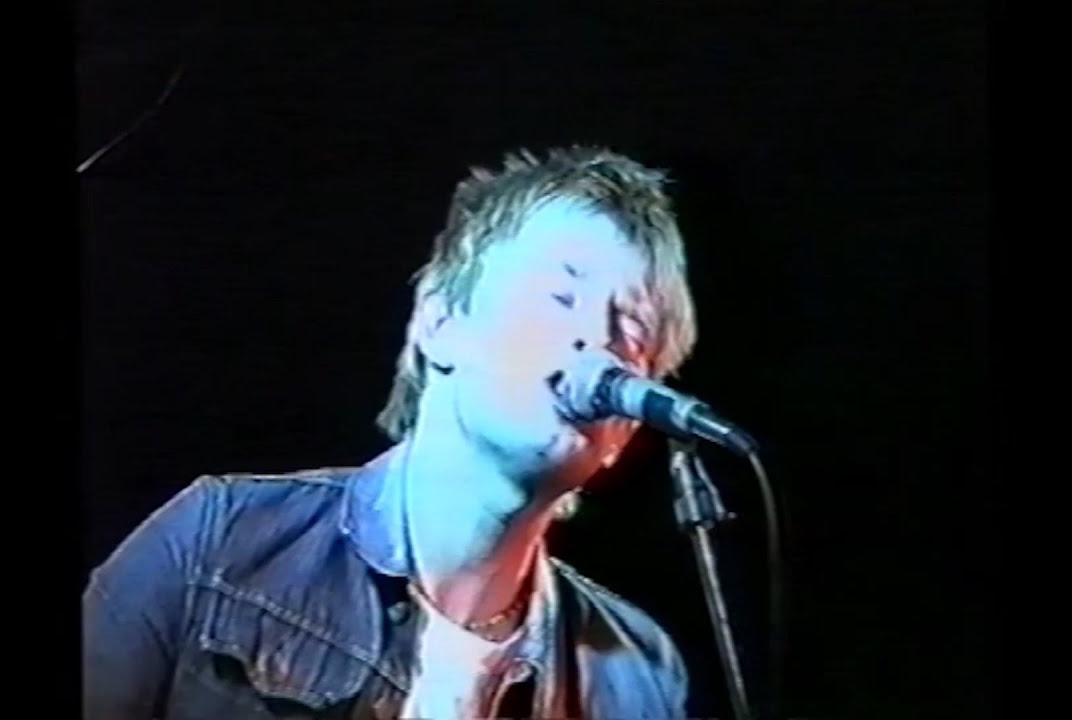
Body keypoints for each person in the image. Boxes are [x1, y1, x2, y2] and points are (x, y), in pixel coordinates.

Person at [82, 146, 700, 719]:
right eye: (562, 296)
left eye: (633, 331)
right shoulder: (224, 542)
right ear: (441, 322)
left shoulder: (639, 676)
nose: (598, 340)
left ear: (625, 431)